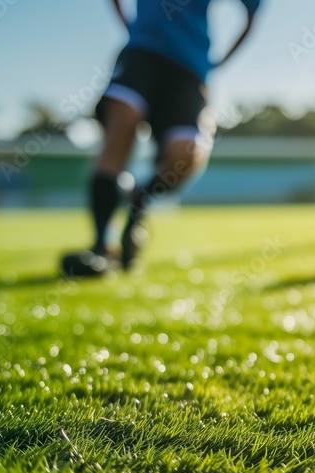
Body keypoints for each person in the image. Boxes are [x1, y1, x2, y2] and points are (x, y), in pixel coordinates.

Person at [61, 0, 261, 277]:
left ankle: (138, 202)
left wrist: (217, 62)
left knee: (187, 154)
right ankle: (100, 248)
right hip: (143, 51)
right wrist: (133, 27)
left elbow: (252, 13)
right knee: (123, 122)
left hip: (189, 67)